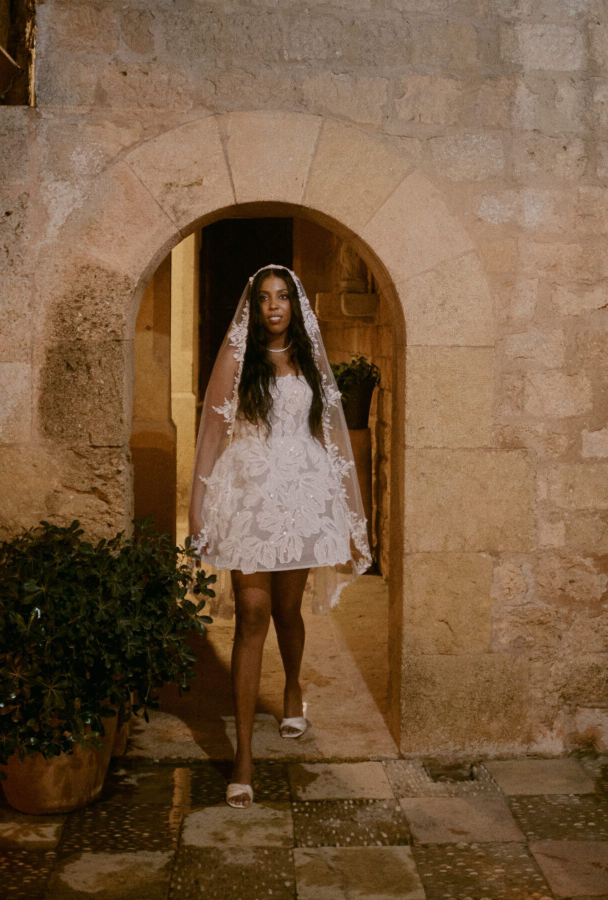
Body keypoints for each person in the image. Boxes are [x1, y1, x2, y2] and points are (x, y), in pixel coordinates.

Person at [188, 263, 372, 809]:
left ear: (295, 305)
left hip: (301, 497)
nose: (274, 306)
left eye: (283, 296)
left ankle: (292, 687)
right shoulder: (236, 359)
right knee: (252, 611)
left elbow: (331, 434)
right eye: (265, 297)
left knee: (288, 611)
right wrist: (197, 508)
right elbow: (211, 435)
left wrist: (348, 512)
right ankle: (244, 757)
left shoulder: (310, 359)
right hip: (248, 495)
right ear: (254, 307)